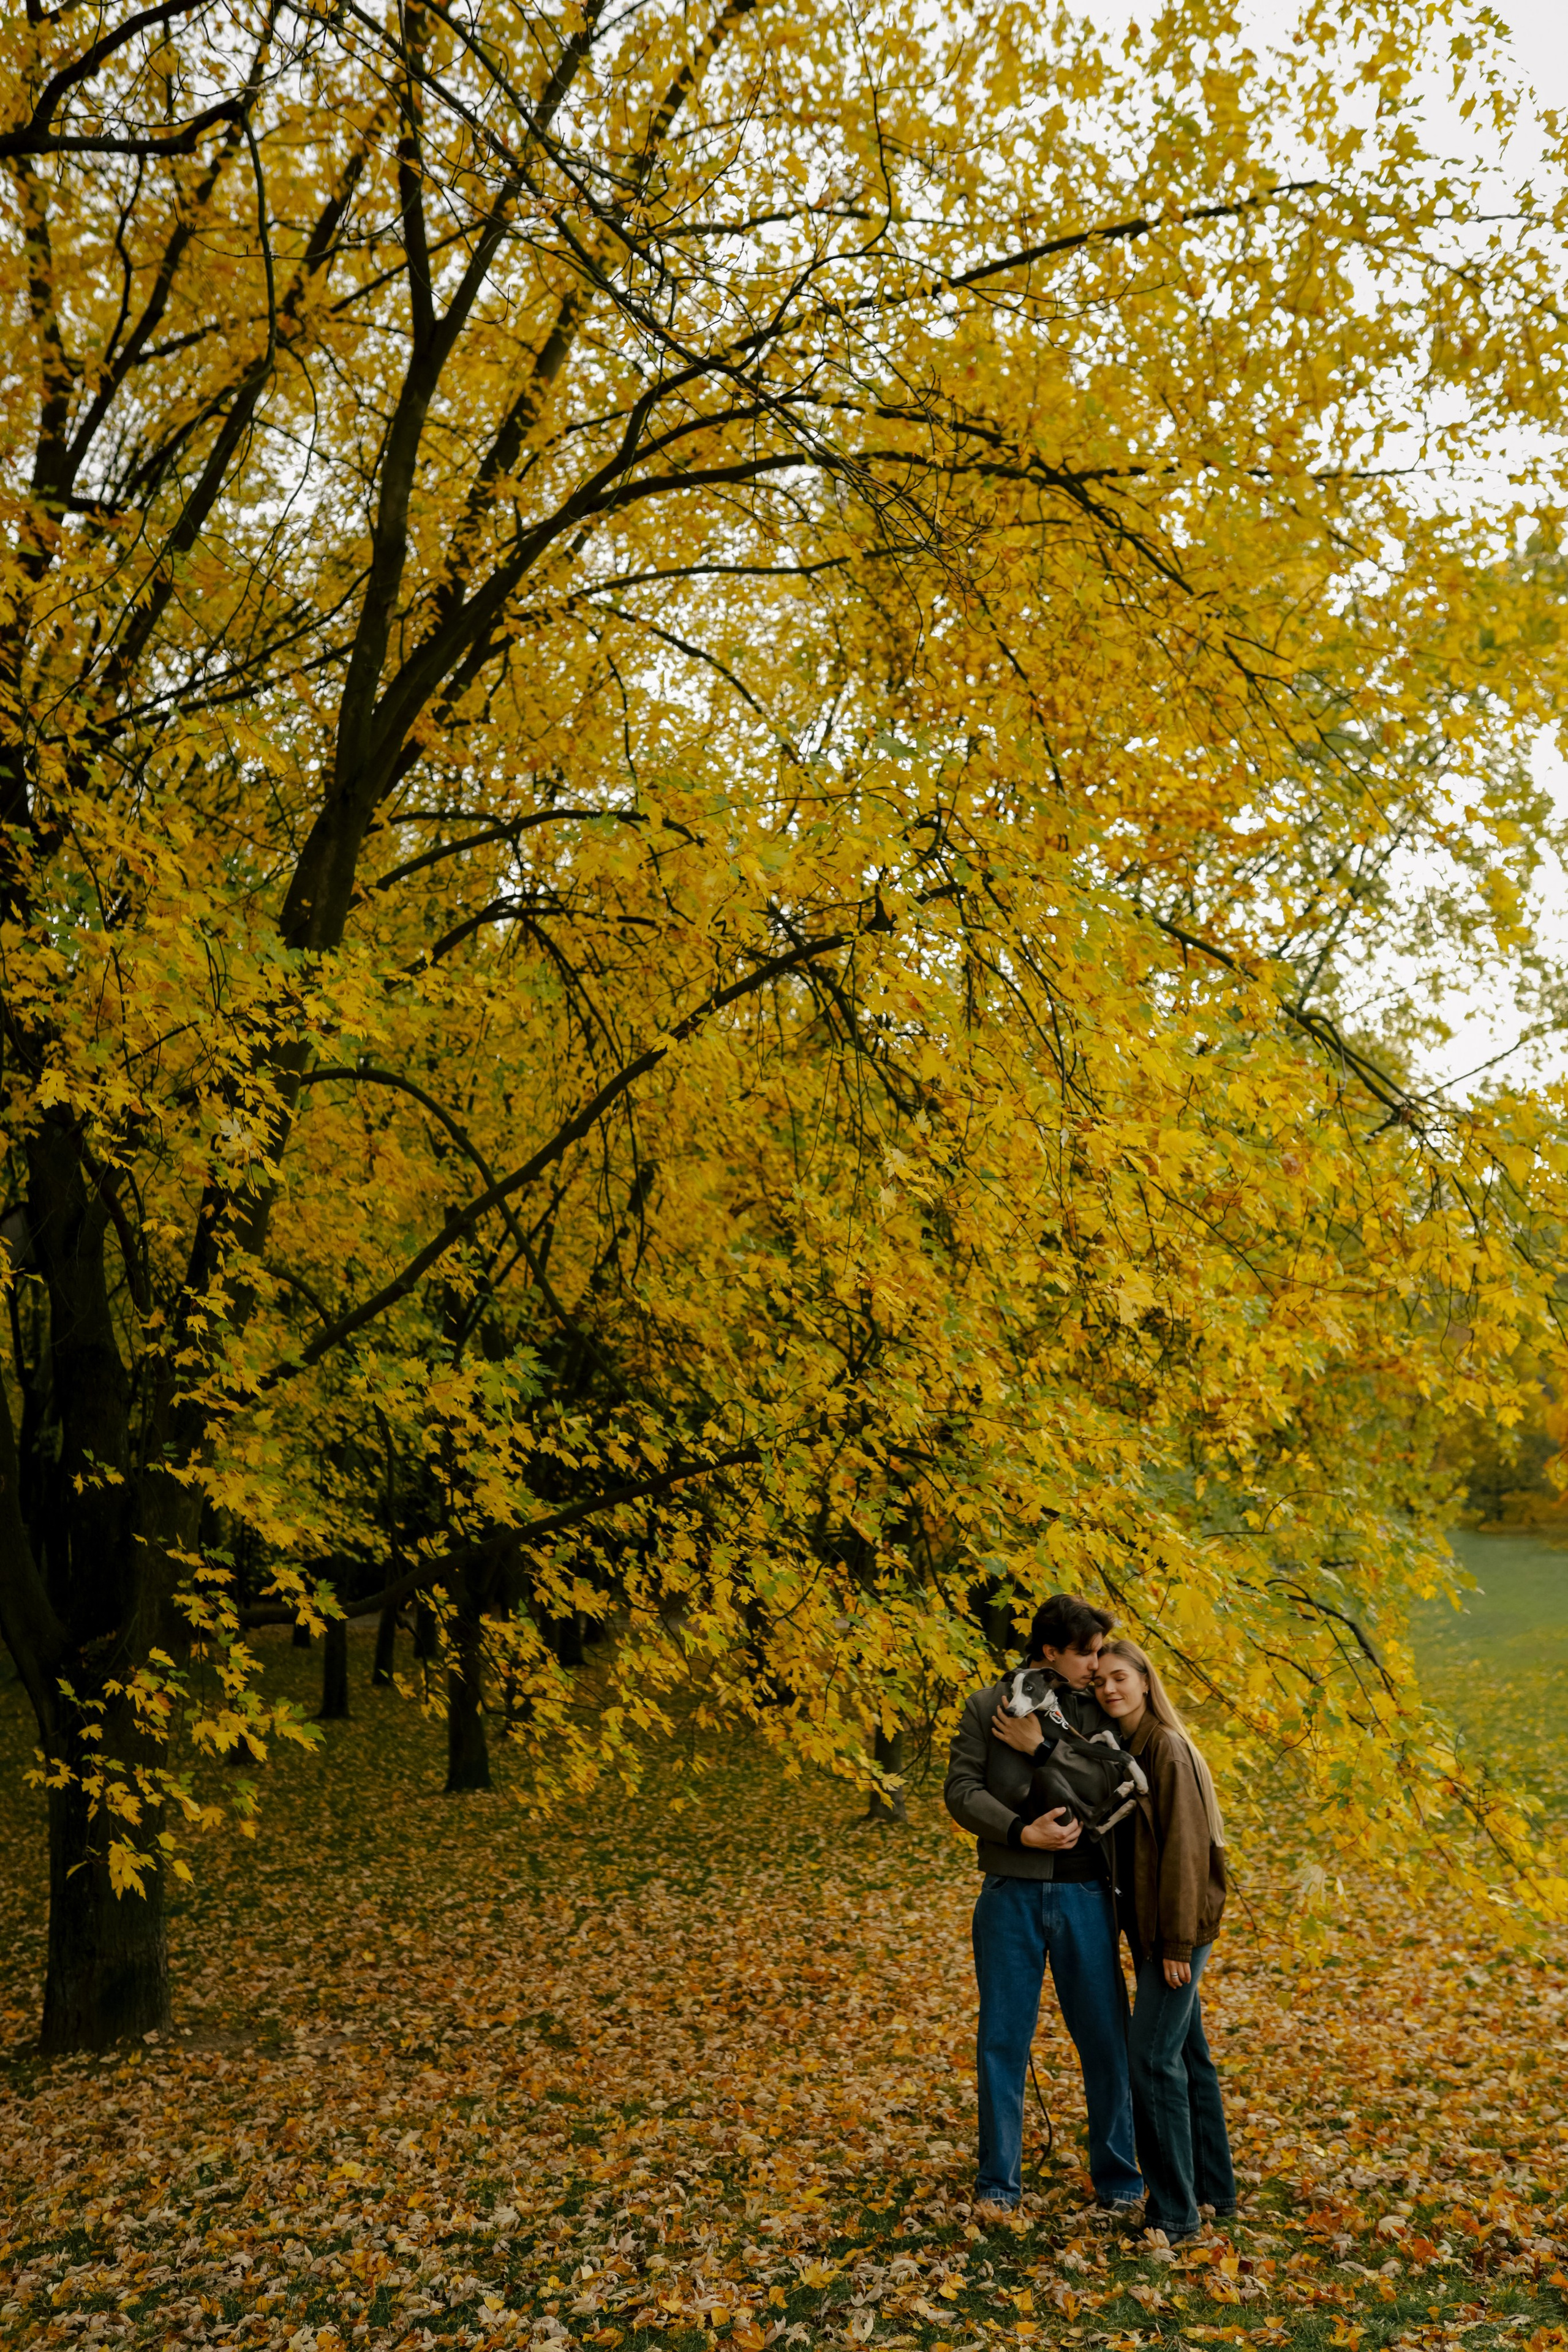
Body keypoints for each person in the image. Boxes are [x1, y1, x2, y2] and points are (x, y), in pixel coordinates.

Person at [944, 1594, 1142, 2222]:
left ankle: (1119, 2179)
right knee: (1002, 2040)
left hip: (1088, 1893)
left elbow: (1113, 1786)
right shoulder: (986, 1705)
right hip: (1010, 1892)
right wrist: (1018, 1833)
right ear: (1048, 1651)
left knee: (1105, 2040)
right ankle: (997, 2186)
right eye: (1084, 1653)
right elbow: (960, 1790)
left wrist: (1041, 1748)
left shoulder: (1100, 1704)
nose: (1096, 1664)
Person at [1093, 1637, 1235, 2244]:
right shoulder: (1127, 1749)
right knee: (1186, 2056)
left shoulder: (1167, 1750)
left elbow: (1184, 1853)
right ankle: (1215, 2191)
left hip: (1177, 1932)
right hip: (1160, 1929)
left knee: (1150, 2059)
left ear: (1146, 1681)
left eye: (1120, 1676)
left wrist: (1175, 1946)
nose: (1109, 1688)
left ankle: (1174, 2214)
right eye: (1099, 1681)